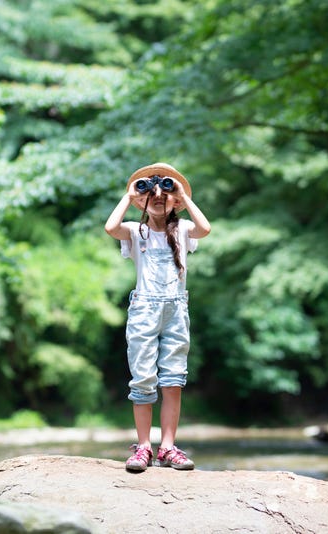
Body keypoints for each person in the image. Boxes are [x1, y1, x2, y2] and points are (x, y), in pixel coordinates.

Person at [104, 162, 211, 472]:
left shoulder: (184, 229)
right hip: (144, 310)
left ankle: (167, 446)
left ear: (174, 201)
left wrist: (182, 195)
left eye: (165, 195)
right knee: (143, 381)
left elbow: (205, 228)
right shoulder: (136, 232)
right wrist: (128, 196)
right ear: (143, 202)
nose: (158, 198)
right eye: (151, 196)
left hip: (176, 311)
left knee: (173, 380)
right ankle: (143, 448)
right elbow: (111, 228)